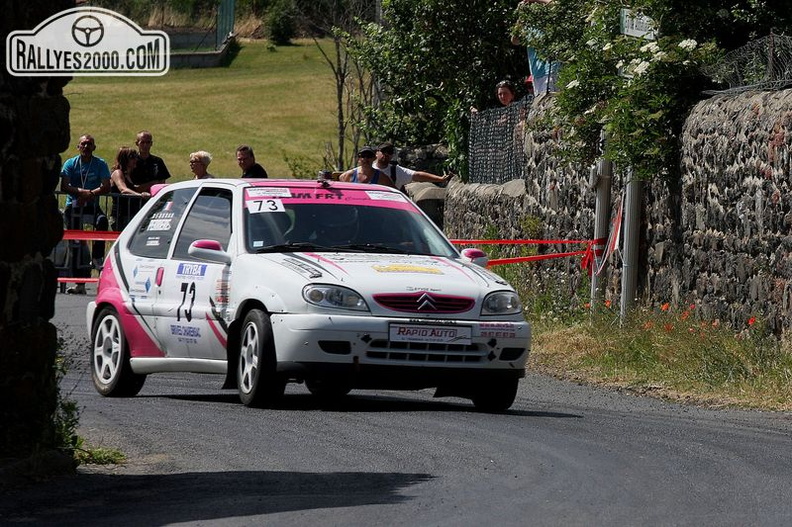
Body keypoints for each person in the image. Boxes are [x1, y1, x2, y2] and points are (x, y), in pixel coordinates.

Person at [60, 134, 111, 294]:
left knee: (102, 221)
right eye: (83, 144)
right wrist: (81, 193)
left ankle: (97, 257)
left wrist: (90, 194)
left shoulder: (100, 163)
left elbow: (106, 185)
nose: (87, 147)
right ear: (78, 147)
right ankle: (79, 283)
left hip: (92, 205)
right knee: (76, 243)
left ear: (94, 147)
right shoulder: (71, 163)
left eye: (90, 144)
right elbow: (64, 186)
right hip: (73, 206)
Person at [373, 143, 455, 191]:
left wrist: (440, 179)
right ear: (377, 153)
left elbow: (418, 175)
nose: (386, 154)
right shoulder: (366, 169)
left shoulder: (396, 171)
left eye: (389, 152)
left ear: (392, 156)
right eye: (383, 151)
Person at [110, 147, 151, 231]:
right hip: (120, 216)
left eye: (136, 156)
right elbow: (123, 189)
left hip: (130, 214)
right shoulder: (118, 173)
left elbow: (135, 188)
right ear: (124, 159)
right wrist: (140, 195)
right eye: (132, 157)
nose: (135, 159)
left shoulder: (129, 174)